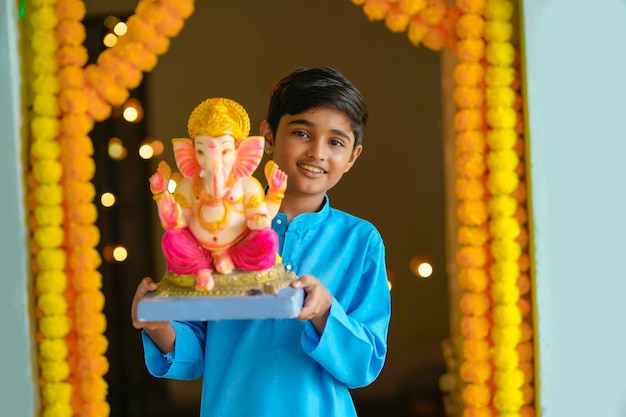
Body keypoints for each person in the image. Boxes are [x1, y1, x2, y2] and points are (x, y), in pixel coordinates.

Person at [131, 67, 391, 417]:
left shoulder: (360, 242)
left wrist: (324, 311)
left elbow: (363, 366)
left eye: (335, 142)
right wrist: (158, 323)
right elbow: (193, 354)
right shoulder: (217, 228)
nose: (317, 152)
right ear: (267, 137)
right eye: (302, 132)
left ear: (352, 157)